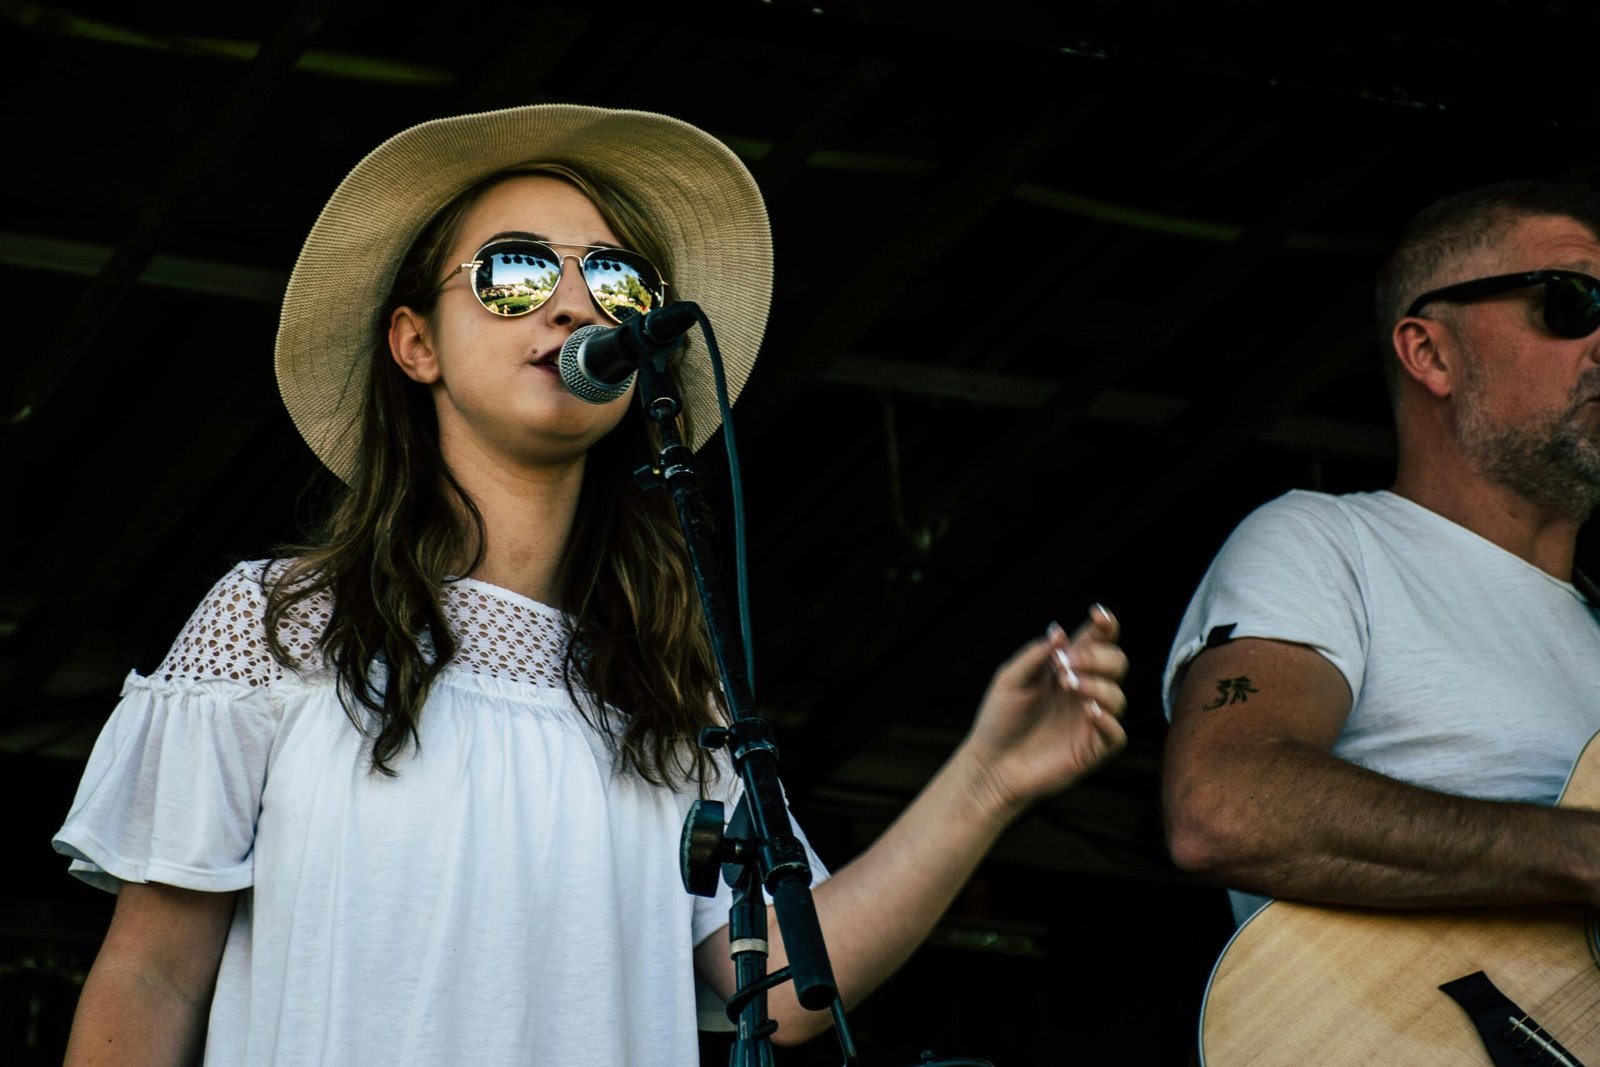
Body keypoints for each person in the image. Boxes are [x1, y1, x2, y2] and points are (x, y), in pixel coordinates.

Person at [51, 103, 1130, 1066]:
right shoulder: (281, 619)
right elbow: (152, 974)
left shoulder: (667, 675)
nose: (573, 304)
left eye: (616, 278)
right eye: (515, 271)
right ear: (415, 341)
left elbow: (786, 989)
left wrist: (985, 780)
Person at [1161, 178, 1600, 929]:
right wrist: (1576, 852)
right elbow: (1223, 799)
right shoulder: (1326, 542)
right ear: (1429, 353)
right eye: (1573, 301)